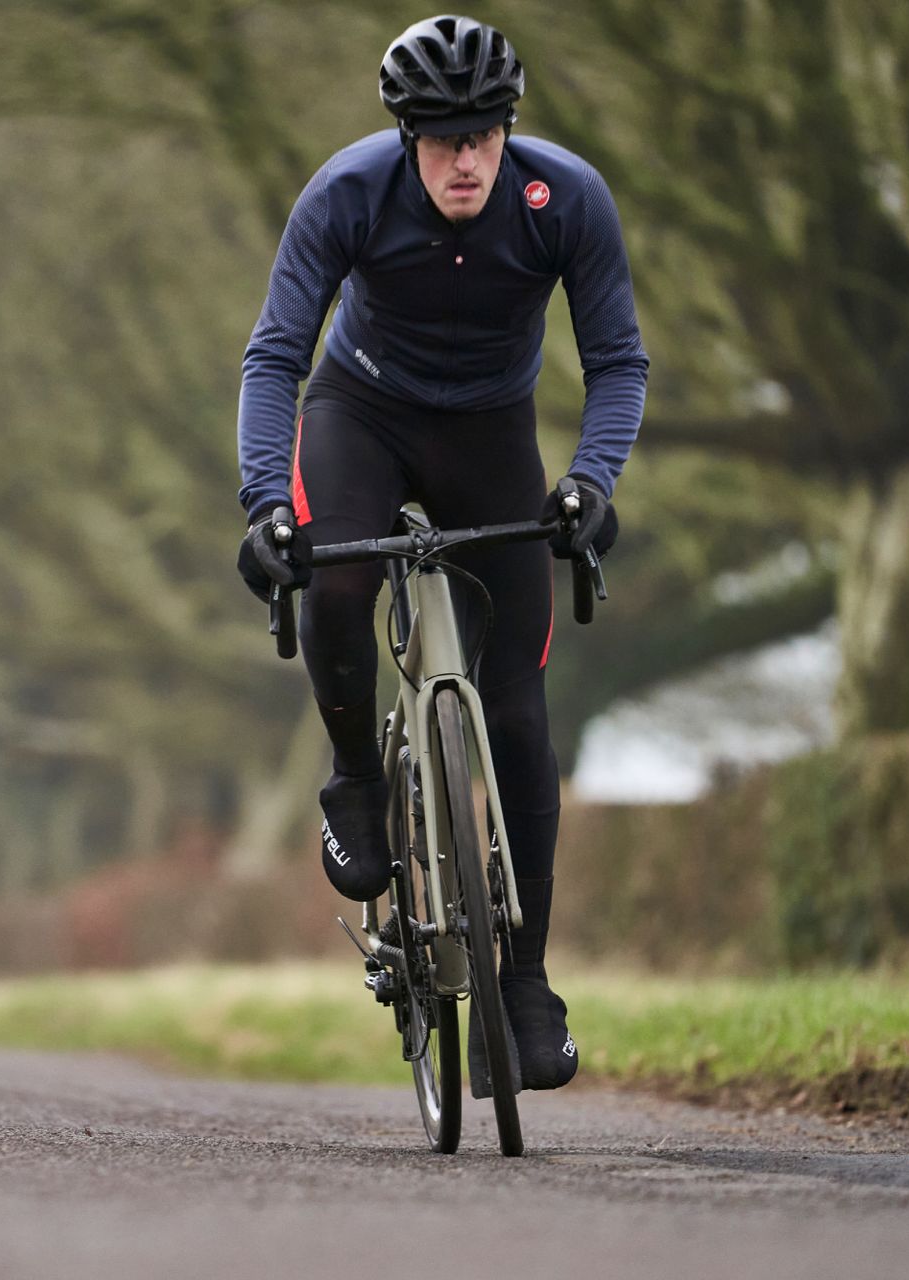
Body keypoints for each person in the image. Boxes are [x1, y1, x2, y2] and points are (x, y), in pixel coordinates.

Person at [234, 15, 647, 1097]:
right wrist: (266, 504)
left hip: (491, 430)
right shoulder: (346, 196)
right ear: (408, 138)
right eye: (443, 137)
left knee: (518, 709)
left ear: (508, 130)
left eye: (485, 135)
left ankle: (528, 982)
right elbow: (276, 355)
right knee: (338, 574)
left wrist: (591, 485)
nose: (467, 159)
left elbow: (618, 361)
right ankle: (359, 782)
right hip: (361, 411)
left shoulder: (569, 201)